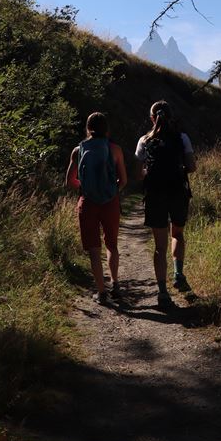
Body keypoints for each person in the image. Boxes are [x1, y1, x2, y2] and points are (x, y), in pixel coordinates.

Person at [135, 100, 196, 309]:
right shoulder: (182, 138)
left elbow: (139, 173)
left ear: (152, 118)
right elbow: (192, 166)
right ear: (171, 116)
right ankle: (178, 275)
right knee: (177, 234)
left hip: (155, 195)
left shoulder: (144, 140)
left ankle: (162, 292)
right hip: (178, 191)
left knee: (159, 247)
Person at [66, 112, 127, 305]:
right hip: (111, 202)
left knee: (93, 250)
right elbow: (123, 180)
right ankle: (115, 283)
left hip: (88, 203)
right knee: (112, 245)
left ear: (87, 128)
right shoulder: (115, 149)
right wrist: (110, 190)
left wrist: (86, 188)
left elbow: (69, 181)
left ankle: (101, 292)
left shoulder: (78, 150)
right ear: (106, 129)